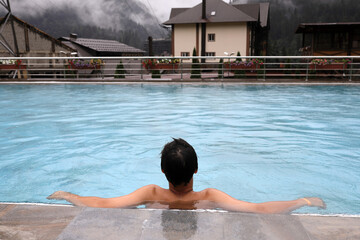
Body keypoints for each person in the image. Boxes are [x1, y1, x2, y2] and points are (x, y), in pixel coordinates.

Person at [48, 138, 326, 213]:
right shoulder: (209, 196)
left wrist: (70, 195)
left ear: (162, 171)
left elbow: (105, 204)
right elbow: (258, 208)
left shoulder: (151, 193)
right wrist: (301, 201)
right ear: (196, 169)